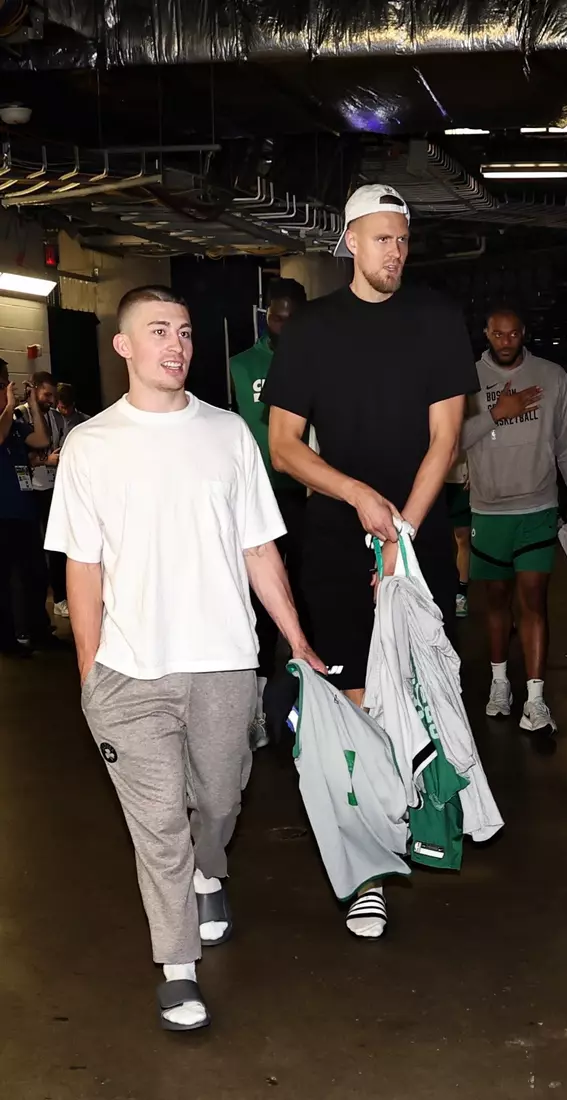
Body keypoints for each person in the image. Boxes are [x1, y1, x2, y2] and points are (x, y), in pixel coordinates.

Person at [45, 285, 323, 1032]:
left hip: (224, 662)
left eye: (187, 332)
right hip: (130, 672)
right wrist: (90, 674)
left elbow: (259, 548)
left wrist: (293, 636)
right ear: (124, 346)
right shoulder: (90, 445)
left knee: (222, 799)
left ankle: (211, 871)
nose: (177, 344)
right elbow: (83, 568)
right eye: (159, 330)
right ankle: (176, 968)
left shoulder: (230, 433)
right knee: (158, 822)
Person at [262, 183, 476, 937]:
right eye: (381, 239)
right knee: (354, 698)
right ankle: (370, 870)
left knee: (420, 689)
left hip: (413, 538)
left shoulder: (437, 320)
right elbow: (284, 447)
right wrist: (355, 494)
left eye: (404, 240)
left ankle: (418, 817)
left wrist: (402, 536)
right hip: (333, 538)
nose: (395, 253)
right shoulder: (313, 331)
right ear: (349, 241)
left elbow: (445, 441)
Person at [460, 307, 567, 735]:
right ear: (487, 333)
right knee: (496, 600)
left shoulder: (552, 377)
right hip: (488, 509)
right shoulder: (466, 378)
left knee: (533, 598)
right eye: (498, 334)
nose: (506, 341)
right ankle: (500, 686)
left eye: (513, 334)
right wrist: (499, 411)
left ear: (524, 333)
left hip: (537, 506)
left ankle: (535, 698)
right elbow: (449, 439)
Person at [230, 277, 309, 748]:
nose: (283, 323)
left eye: (292, 315)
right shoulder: (242, 364)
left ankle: (308, 699)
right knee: (258, 601)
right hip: (258, 497)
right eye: (276, 315)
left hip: (308, 496)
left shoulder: (318, 359)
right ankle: (258, 705)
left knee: (305, 597)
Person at [0, 359, 54, 656]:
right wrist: (10, 404)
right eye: (2, 384)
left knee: (35, 574)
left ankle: (38, 630)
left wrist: (32, 403)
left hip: (25, 512)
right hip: (3, 516)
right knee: (8, 583)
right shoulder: (6, 421)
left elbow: (42, 438)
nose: (8, 388)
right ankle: (9, 639)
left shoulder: (18, 426)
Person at [445, 454, 471, 618]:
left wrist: (475, 467)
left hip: (459, 479)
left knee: (462, 537)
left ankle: (461, 594)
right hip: (433, 478)